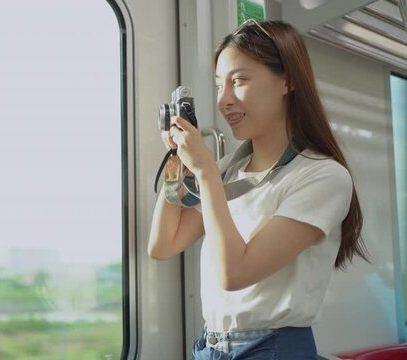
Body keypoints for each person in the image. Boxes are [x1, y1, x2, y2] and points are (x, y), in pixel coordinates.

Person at [147, 19, 369, 360]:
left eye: (239, 81)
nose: (224, 100)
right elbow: (163, 245)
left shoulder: (323, 177)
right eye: (220, 85)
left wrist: (205, 171)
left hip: (272, 349)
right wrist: (179, 159)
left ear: (287, 80)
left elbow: (234, 273)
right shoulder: (227, 171)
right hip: (211, 347)